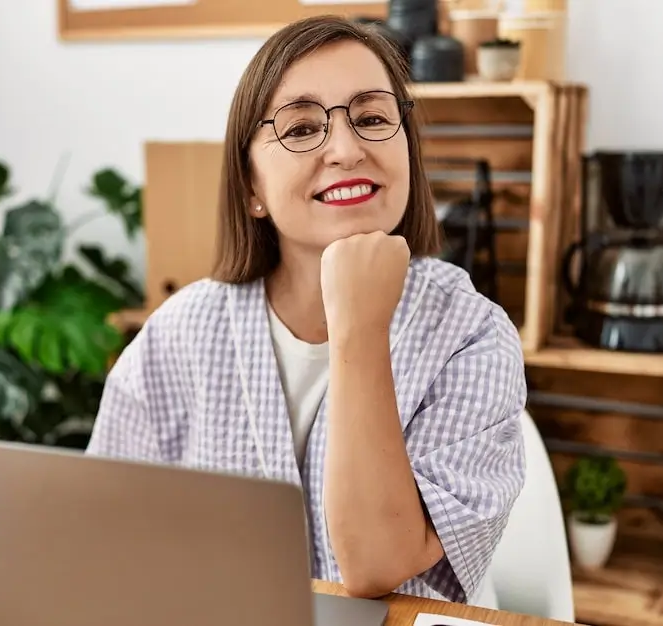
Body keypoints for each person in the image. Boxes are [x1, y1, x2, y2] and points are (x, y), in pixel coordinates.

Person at [85, 15, 527, 605]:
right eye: (301, 128)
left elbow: (376, 566)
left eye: (372, 118)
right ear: (251, 187)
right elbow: (103, 538)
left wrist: (359, 325)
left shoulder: (471, 335)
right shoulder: (179, 334)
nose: (346, 150)